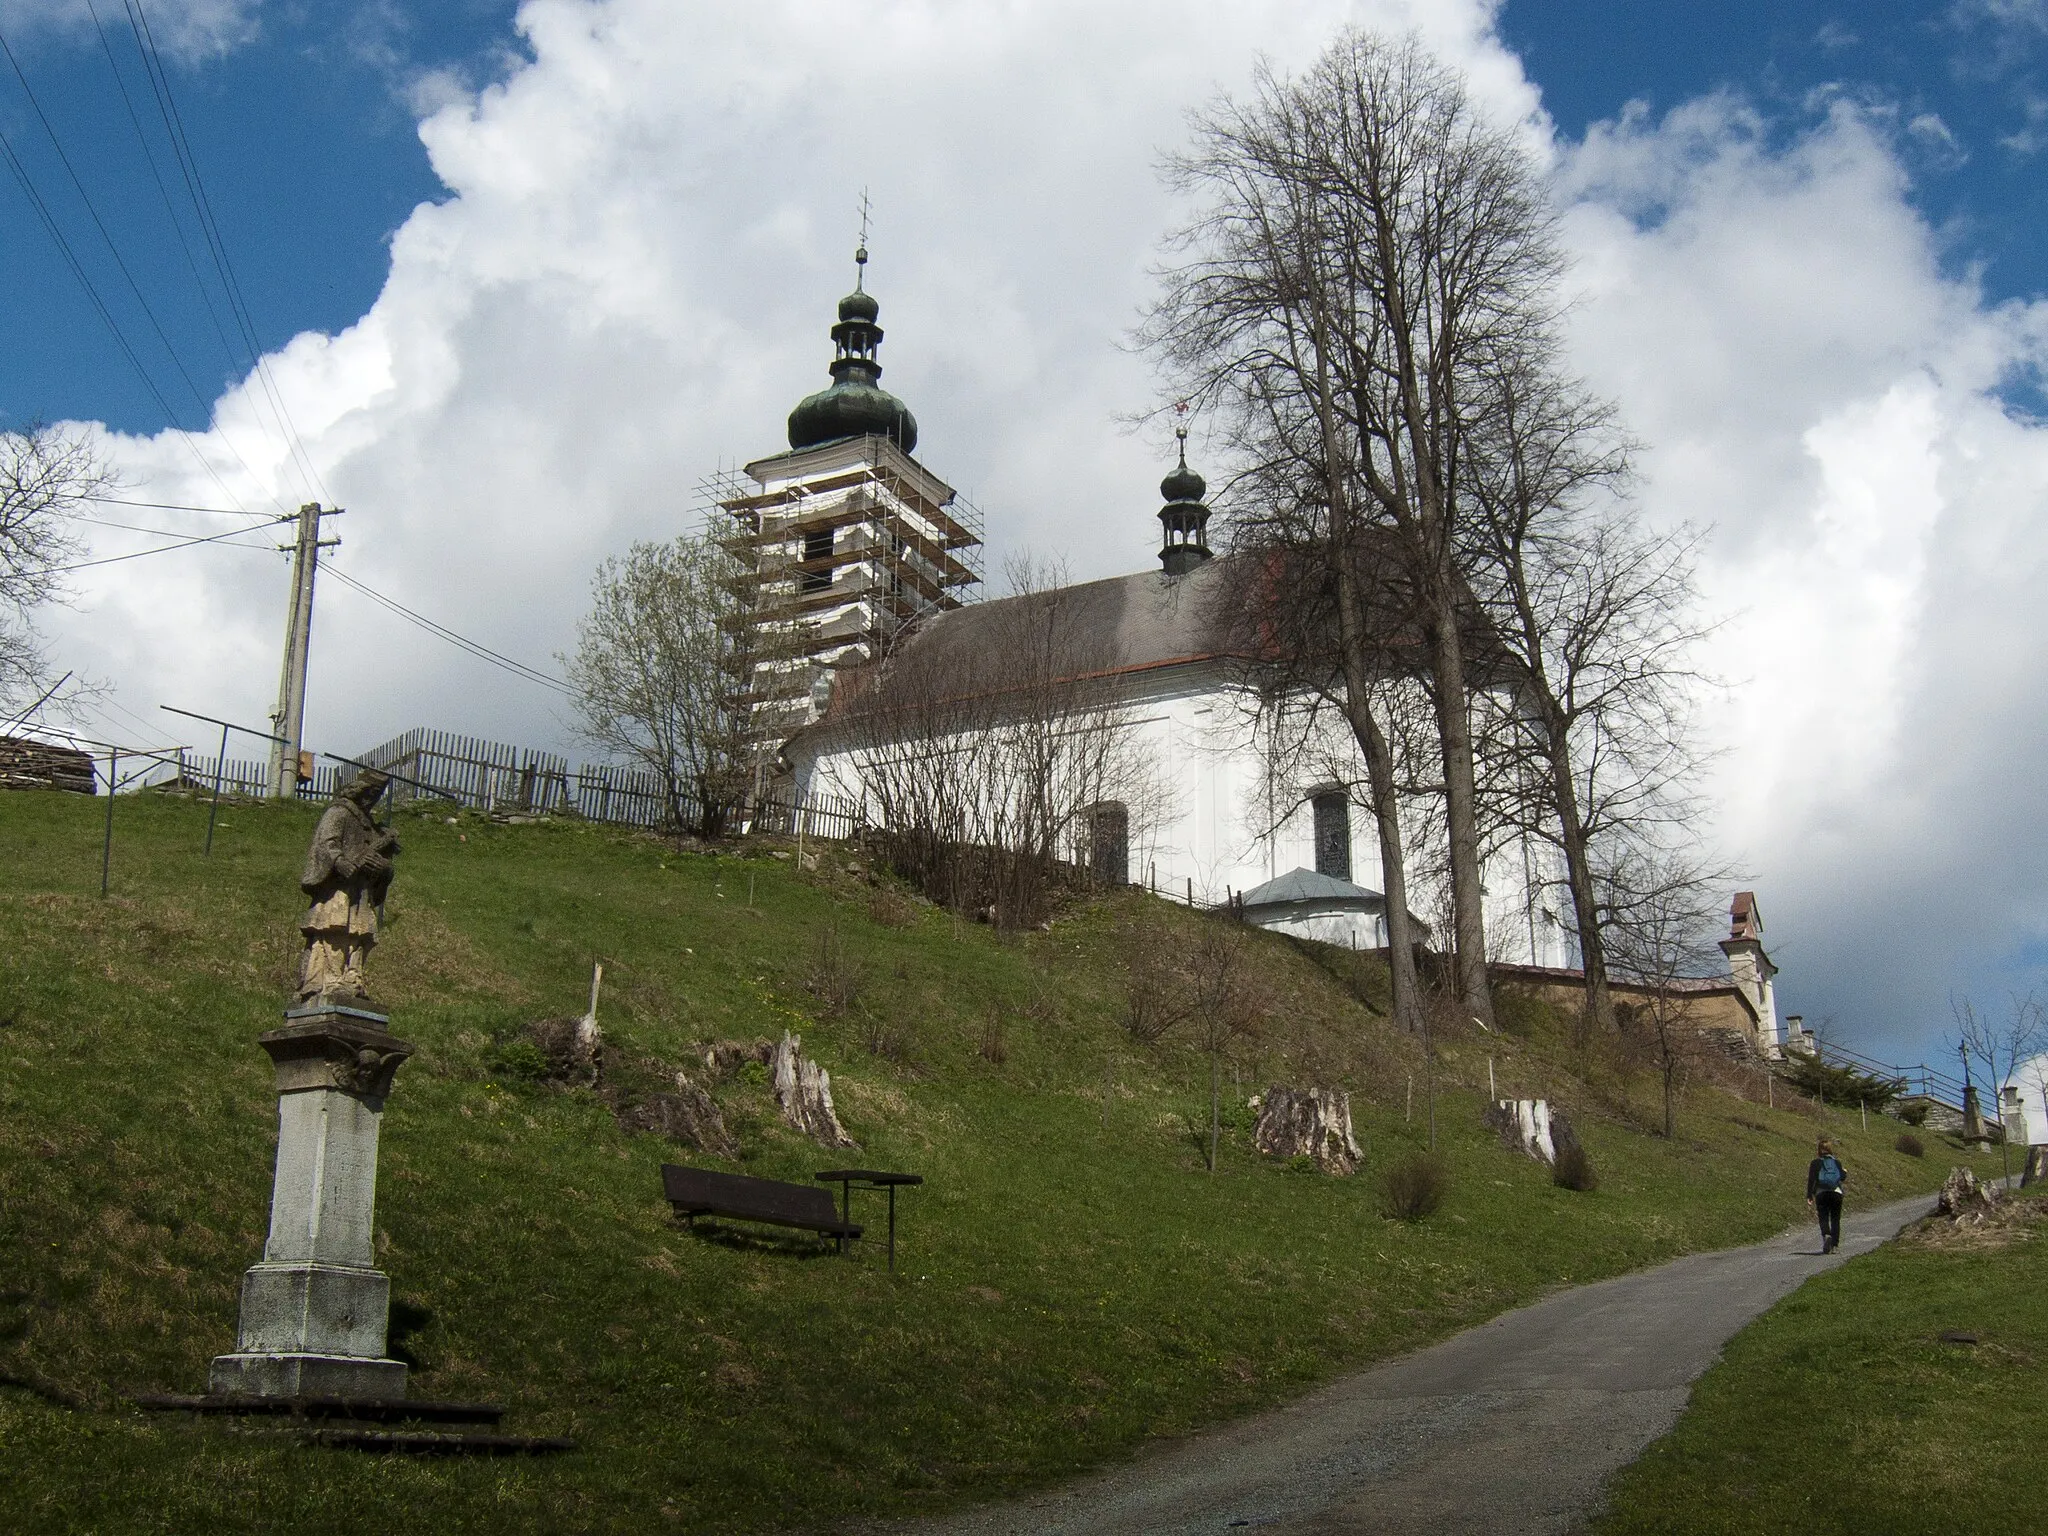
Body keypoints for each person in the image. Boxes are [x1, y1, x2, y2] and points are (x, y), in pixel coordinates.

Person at [295, 768, 400, 1008]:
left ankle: (353, 978)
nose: (371, 798)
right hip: (338, 890)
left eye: (377, 793)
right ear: (358, 790)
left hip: (362, 893)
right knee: (335, 930)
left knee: (359, 934)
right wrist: (340, 862)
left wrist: (384, 869)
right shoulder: (339, 813)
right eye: (369, 791)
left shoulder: (371, 826)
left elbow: (385, 865)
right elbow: (326, 843)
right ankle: (330, 980)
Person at [1807, 1137, 1847, 1253]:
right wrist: (1844, 1172)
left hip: (1821, 1193)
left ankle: (1826, 1234)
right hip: (1836, 1193)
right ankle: (1835, 1245)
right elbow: (1842, 1177)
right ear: (1830, 1149)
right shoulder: (1836, 1162)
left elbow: (1811, 1180)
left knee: (1823, 1217)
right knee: (1835, 1219)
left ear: (1819, 1150)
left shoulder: (1815, 1163)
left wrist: (1809, 1195)